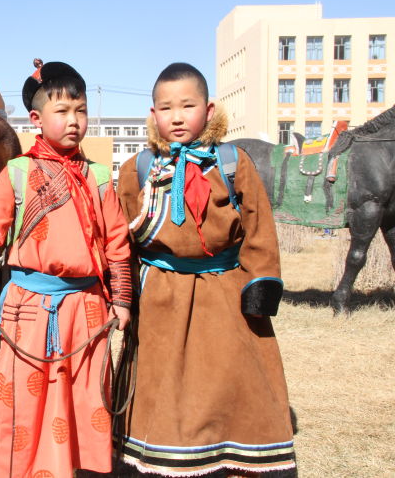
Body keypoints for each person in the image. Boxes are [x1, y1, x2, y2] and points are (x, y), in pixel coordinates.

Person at [0, 61, 132, 478]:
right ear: (36, 119)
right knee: (22, 400)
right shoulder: (18, 173)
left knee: (83, 397)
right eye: (62, 111)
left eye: (81, 110)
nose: (74, 121)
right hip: (30, 310)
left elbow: (117, 247)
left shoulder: (102, 179)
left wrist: (122, 300)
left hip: (87, 310)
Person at [114, 63, 296, 477]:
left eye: (188, 105)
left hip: (226, 295)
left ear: (209, 109)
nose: (177, 116)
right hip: (160, 294)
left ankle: (232, 450)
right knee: (165, 385)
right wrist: (121, 293)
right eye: (166, 108)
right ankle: (162, 455)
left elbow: (258, 227)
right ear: (153, 113)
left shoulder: (233, 163)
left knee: (231, 380)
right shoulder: (138, 169)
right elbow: (119, 240)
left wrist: (261, 282)